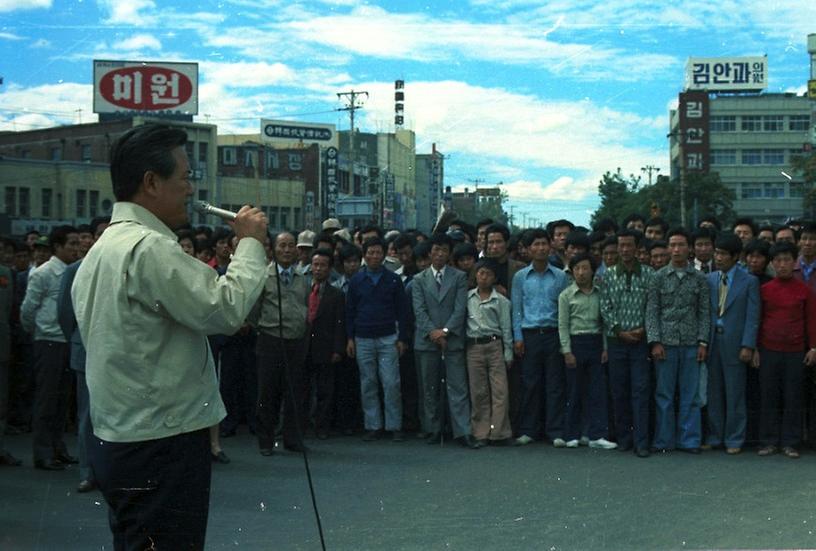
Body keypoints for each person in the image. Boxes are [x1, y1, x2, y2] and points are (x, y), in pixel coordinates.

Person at [72, 124, 269, 549]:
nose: (190, 188)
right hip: (161, 442)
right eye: (185, 177)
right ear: (151, 182)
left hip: (120, 436)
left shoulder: (101, 251)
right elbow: (225, 307)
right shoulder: (150, 249)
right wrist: (251, 243)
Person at [646, 228, 711, 454]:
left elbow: (704, 313)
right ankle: (664, 440)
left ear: (689, 248)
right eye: (672, 245)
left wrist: (703, 342)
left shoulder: (700, 279)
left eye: (681, 245)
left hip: (692, 343)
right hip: (666, 343)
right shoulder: (658, 278)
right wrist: (655, 341)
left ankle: (689, 440)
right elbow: (652, 312)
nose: (676, 249)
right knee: (664, 394)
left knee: (690, 394)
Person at [21, 226, 80, 471]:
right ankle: (43, 452)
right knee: (46, 399)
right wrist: (38, 333)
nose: (76, 249)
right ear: (57, 247)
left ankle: (58, 448)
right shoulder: (44, 273)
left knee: (61, 400)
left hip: (68, 340)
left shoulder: (74, 272)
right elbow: (28, 310)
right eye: (72, 244)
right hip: (48, 341)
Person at [412, 233, 477, 448]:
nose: (439, 254)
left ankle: (463, 431)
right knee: (429, 388)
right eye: (436, 250)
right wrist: (433, 332)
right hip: (427, 340)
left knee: (457, 387)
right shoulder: (419, 279)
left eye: (444, 250)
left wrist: (446, 331)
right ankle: (432, 428)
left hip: (452, 340)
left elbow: (460, 308)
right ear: (430, 252)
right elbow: (419, 311)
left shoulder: (458, 277)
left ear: (449, 254)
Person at [754, 241, 816, 459]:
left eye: (787, 260)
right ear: (772, 263)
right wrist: (755, 349)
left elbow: (811, 321)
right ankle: (768, 441)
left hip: (796, 352)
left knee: (793, 397)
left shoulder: (805, 291)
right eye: (778, 261)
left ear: (794, 262)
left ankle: (791, 442)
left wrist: (813, 348)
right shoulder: (764, 290)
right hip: (768, 350)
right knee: (768, 396)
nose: (782, 265)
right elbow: (758, 321)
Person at [251, 231, 310, 456]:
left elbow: (305, 306)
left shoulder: (301, 277)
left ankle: (292, 439)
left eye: (291, 245)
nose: (287, 250)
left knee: (295, 393)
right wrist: (267, 326)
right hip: (271, 340)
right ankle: (266, 441)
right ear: (273, 249)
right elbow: (253, 311)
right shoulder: (263, 276)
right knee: (268, 393)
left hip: (296, 340)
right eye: (282, 245)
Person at [346, 237, 410, 442]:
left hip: (388, 337)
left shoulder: (393, 279)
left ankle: (394, 425)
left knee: (391, 383)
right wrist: (350, 338)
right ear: (364, 255)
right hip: (363, 338)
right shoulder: (356, 280)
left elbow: (402, 311)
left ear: (384, 255)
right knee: (368, 383)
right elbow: (350, 312)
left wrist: (402, 338)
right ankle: (373, 425)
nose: (374, 256)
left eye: (378, 252)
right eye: (370, 252)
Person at [511, 228, 569, 447]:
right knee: (530, 384)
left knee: (555, 384)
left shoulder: (561, 276)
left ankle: (555, 431)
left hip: (554, 334)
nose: (540, 248)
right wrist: (518, 337)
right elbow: (516, 309)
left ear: (550, 246)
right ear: (528, 249)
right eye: (535, 244)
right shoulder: (520, 277)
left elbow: (564, 311)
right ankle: (529, 430)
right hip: (530, 335)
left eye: (544, 244)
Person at [600, 229, 654, 458]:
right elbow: (605, 307)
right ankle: (624, 438)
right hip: (617, 341)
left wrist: (643, 328)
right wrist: (620, 331)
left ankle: (642, 442)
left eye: (629, 245)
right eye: (621, 245)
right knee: (619, 390)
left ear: (637, 247)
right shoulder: (607, 275)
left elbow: (652, 306)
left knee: (641, 392)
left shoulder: (650, 274)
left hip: (641, 341)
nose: (624, 250)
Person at [704, 234, 760, 455]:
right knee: (713, 391)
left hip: (736, 343)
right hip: (712, 341)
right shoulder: (709, 279)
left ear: (736, 256)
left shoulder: (749, 281)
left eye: (724, 254)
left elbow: (753, 316)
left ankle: (735, 437)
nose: (718, 257)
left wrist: (748, 344)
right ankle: (715, 436)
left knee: (735, 392)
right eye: (717, 253)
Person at [558, 253, 616, 450]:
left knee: (597, 391)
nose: (581, 273)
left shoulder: (601, 292)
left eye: (585, 268)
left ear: (593, 271)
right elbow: (563, 326)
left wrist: (606, 348)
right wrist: (566, 351)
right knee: (574, 390)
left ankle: (597, 435)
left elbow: (605, 323)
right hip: (575, 342)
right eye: (577, 269)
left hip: (596, 342)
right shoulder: (566, 296)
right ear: (572, 272)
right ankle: (571, 434)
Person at [466, 259, 513, 446]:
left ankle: (499, 432)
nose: (483, 277)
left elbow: (506, 327)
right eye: (481, 273)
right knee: (478, 392)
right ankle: (481, 432)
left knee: (500, 391)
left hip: (494, 346)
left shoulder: (501, 300)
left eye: (488, 274)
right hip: (474, 346)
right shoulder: (468, 298)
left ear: (494, 278)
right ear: (475, 275)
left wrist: (508, 352)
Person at [305, 249, 346, 439]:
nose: (318, 269)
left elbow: (340, 324)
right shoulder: (302, 289)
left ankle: (321, 426)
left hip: (325, 347)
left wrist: (338, 349)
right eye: (315, 265)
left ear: (329, 269)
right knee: (302, 389)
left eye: (323, 265)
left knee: (324, 391)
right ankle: (301, 425)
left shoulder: (336, 294)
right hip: (303, 346)